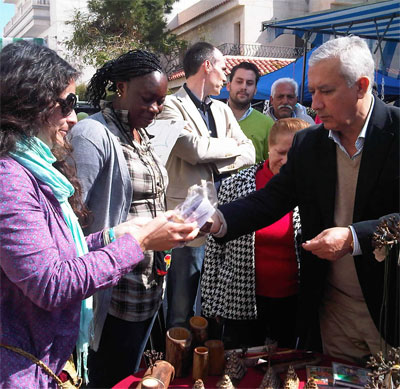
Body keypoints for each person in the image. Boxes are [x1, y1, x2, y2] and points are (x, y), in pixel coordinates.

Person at [0, 41, 198, 389]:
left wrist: (114, 235)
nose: (74, 118)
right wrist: (137, 242)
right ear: (29, 103)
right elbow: (52, 283)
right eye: (66, 104)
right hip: (23, 367)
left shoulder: (32, 170)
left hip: (51, 351)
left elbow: (60, 246)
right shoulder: (10, 180)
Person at [210, 36, 399, 362]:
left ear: (362, 86)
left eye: (326, 91)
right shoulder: (309, 144)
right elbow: (271, 199)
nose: (315, 104)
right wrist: (217, 219)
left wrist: (355, 238)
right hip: (332, 311)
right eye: (312, 92)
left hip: (392, 309)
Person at [69, 50, 172, 387]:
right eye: (147, 99)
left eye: (160, 102)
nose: (155, 110)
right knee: (106, 378)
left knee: (129, 375)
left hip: (149, 286)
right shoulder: (92, 135)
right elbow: (72, 219)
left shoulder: (140, 136)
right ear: (120, 87)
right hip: (113, 294)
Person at [157, 42, 255, 329]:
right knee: (180, 309)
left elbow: (249, 152)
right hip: (185, 220)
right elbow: (192, 150)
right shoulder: (169, 107)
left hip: (223, 218)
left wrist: (212, 156)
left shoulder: (222, 110)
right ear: (207, 66)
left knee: (213, 306)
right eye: (223, 68)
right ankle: (175, 366)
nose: (226, 76)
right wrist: (227, 148)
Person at [202, 118, 309, 349]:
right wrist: (211, 302)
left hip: (291, 301)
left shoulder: (311, 188)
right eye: (281, 152)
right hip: (240, 300)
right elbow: (213, 251)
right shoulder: (235, 185)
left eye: (295, 153)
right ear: (268, 148)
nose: (287, 160)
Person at [227, 62, 275, 163]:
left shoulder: (267, 124)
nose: (244, 87)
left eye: (249, 83)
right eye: (239, 81)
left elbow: (270, 165)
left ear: (255, 90)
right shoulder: (212, 116)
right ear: (228, 86)